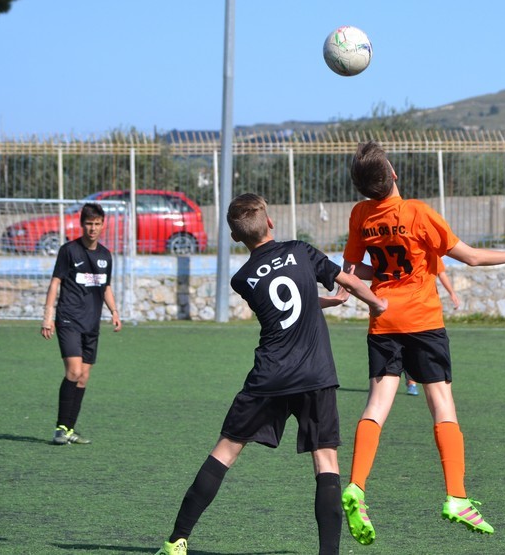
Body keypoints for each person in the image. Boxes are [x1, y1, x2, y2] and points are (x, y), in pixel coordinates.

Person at [340, 141, 505, 545]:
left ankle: (357, 486)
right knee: (442, 405)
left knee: (376, 406)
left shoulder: (360, 215)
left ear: (363, 188)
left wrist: (376, 274)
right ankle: (456, 496)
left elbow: (353, 270)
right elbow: (470, 257)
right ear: (393, 174)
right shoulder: (418, 212)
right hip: (422, 321)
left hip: (384, 320)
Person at [154, 193, 387, 555]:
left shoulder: (242, 278)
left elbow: (279, 305)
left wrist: (321, 301)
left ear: (236, 237)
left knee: (225, 452)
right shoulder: (301, 250)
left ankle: (176, 541)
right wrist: (377, 304)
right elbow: (351, 283)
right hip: (315, 374)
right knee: (326, 461)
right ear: (271, 222)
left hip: (270, 377)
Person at [40, 201, 122, 445]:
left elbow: (105, 287)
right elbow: (55, 283)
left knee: (83, 377)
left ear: (103, 225)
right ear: (81, 224)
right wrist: (48, 317)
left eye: (97, 224)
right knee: (74, 372)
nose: (92, 228)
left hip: (91, 323)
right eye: (88, 223)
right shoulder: (69, 251)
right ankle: (59, 429)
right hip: (68, 319)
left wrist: (114, 311)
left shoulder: (105, 255)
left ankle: (69, 429)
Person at [405, 256, 460, 396]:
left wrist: (452, 293)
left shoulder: (431, 254)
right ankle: (411, 381)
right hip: (405, 306)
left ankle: (416, 379)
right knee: (407, 345)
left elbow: (441, 273)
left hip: (423, 310)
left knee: (420, 348)